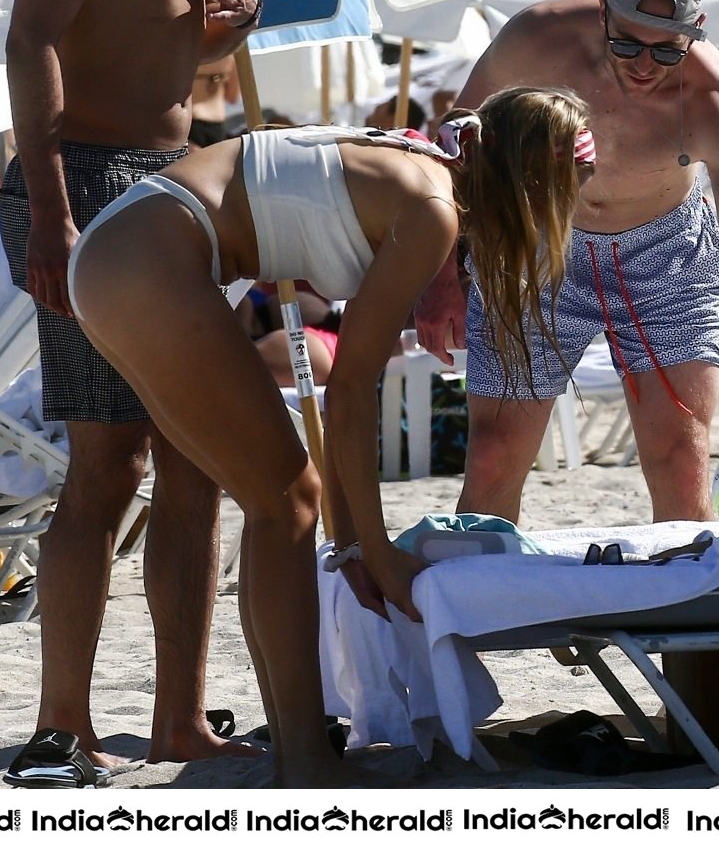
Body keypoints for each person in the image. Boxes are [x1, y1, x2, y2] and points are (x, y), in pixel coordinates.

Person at [65, 86, 596, 786]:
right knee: (287, 500)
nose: (571, 212)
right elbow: (349, 393)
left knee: (264, 495)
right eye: (568, 191)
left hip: (130, 250)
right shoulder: (433, 208)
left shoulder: (425, 174)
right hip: (148, 254)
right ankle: (305, 758)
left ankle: (267, 740)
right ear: (532, 180)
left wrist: (352, 543)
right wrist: (371, 550)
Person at [0, 0, 286, 786]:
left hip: (173, 170)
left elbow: (175, 47)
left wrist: (234, 28)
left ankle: (178, 721)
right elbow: (31, 40)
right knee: (104, 463)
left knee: (195, 458)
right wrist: (52, 215)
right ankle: (61, 723)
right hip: (86, 176)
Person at [416, 0, 719, 524]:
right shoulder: (540, 39)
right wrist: (442, 277)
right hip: (540, 244)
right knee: (493, 455)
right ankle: (484, 604)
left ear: (697, 31)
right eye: (627, 42)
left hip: (665, 256)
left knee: (677, 459)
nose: (643, 64)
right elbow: (452, 149)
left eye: (667, 49)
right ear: (604, 14)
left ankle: (686, 598)